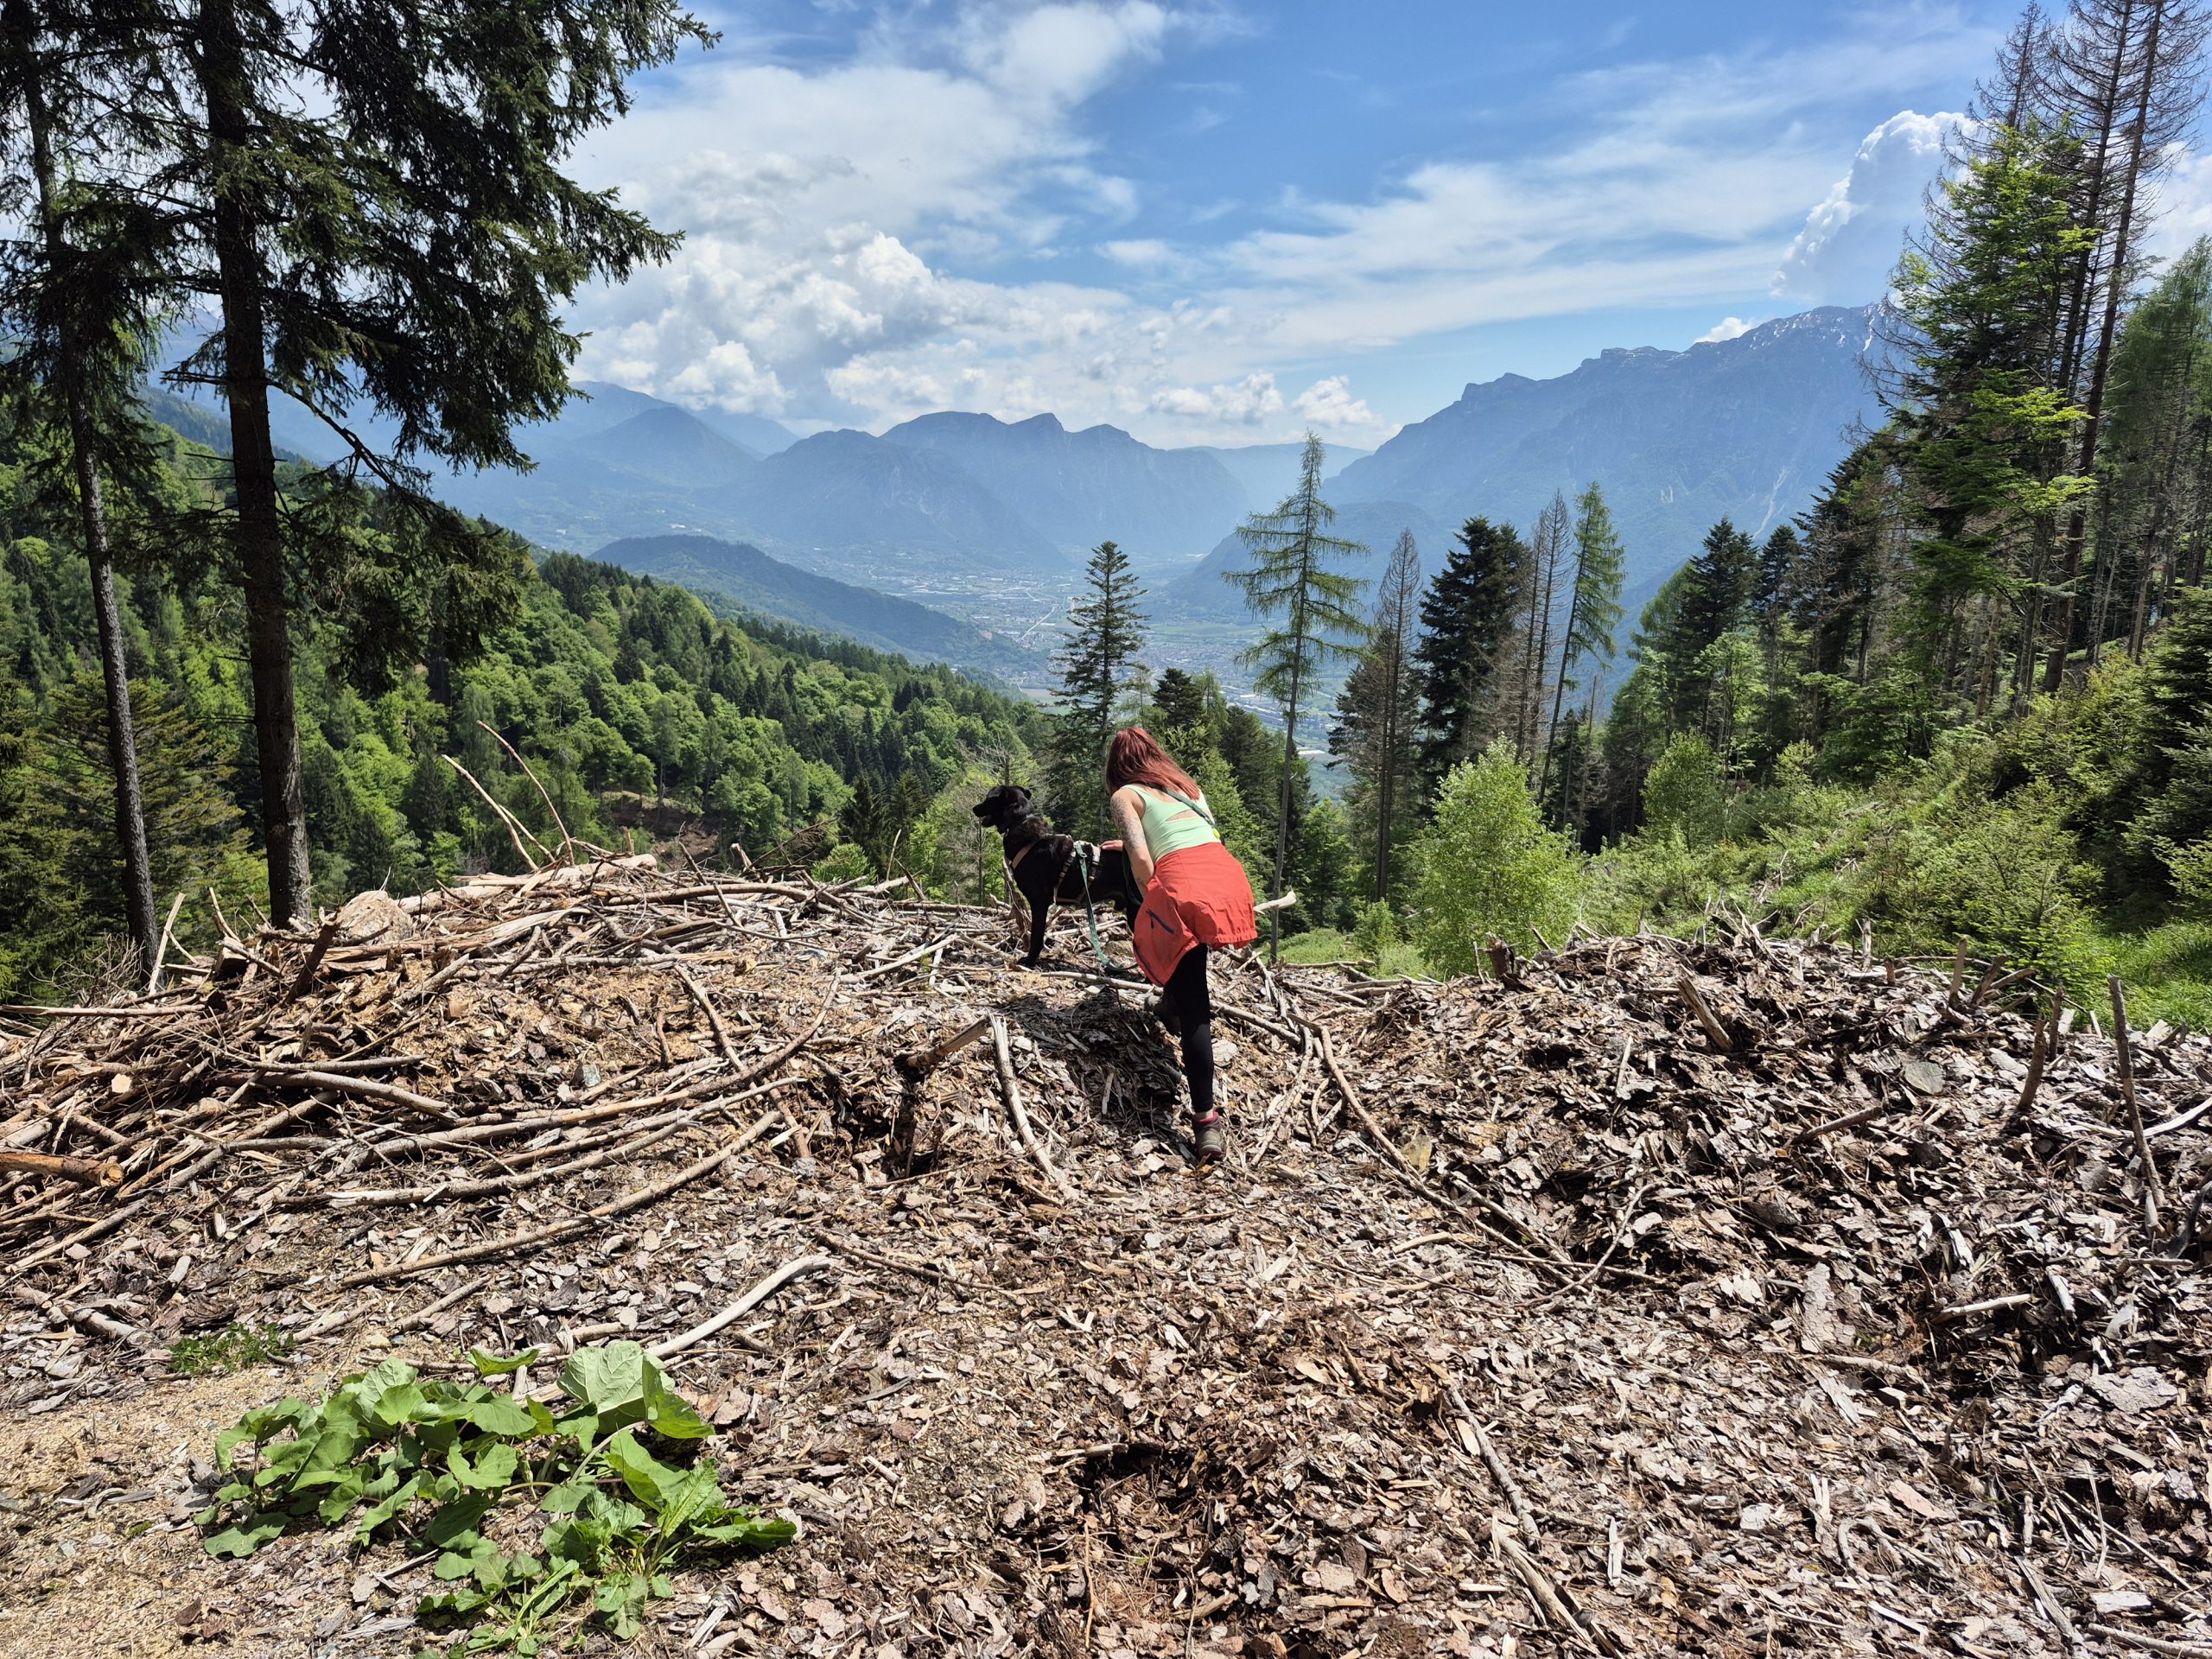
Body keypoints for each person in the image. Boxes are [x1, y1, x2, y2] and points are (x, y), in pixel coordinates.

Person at [1104, 727, 1257, 1163]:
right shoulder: (1187, 787)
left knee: (1196, 1002)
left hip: (1183, 885)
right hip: (1226, 877)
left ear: (1117, 768)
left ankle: (1206, 1121)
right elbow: (1190, 837)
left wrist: (1154, 895)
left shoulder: (1125, 796)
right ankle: (1167, 1006)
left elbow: (1141, 860)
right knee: (1188, 965)